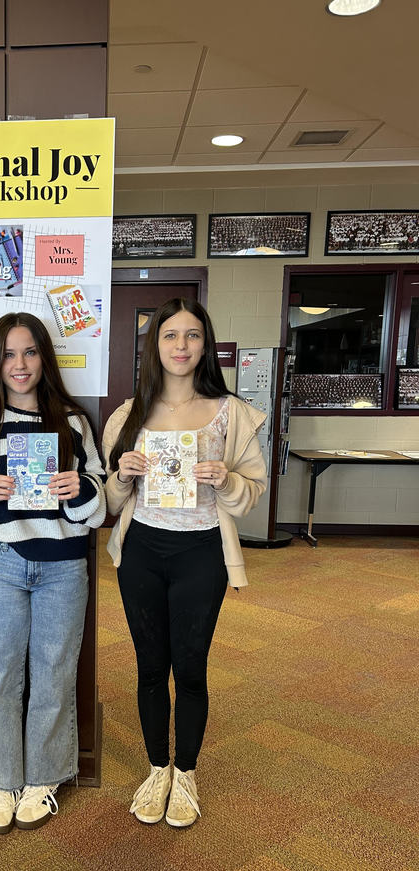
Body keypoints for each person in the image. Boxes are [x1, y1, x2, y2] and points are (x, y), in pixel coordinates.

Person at [102, 297, 267, 829]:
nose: (181, 346)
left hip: (202, 551)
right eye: (170, 335)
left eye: (192, 335)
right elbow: (108, 501)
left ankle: (187, 772)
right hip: (143, 551)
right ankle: (157, 769)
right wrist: (122, 476)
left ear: (205, 344)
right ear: (155, 345)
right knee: (150, 666)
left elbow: (253, 491)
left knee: (190, 667)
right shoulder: (129, 415)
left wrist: (227, 480)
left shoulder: (230, 413)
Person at [0, 312, 105, 834]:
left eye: (30, 352)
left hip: (62, 566)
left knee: (55, 673)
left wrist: (78, 490)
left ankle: (44, 777)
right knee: (1, 675)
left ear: (44, 358)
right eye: (8, 354)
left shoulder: (72, 422)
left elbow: (97, 498)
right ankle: (0, 778)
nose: (20, 364)